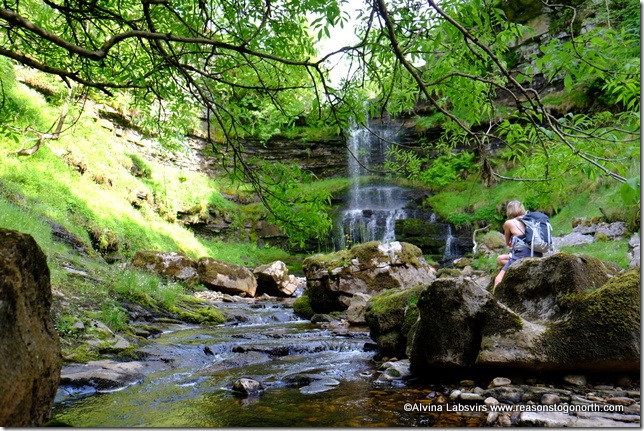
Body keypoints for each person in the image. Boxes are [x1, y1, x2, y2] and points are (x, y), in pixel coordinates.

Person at [493, 200, 542, 289]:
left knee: (498, 279)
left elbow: (508, 243)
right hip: (537, 252)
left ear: (509, 211)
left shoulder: (509, 223)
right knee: (500, 259)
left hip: (523, 254)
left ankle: (494, 297)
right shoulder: (531, 219)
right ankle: (518, 266)